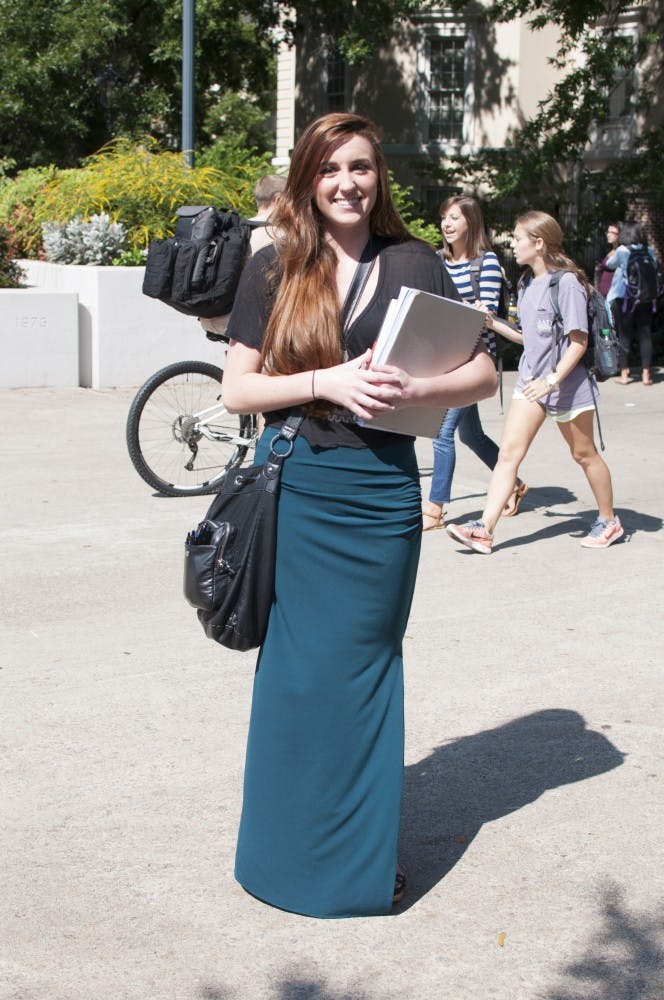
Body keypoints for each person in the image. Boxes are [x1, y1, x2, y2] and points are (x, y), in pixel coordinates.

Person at [221, 112, 497, 918]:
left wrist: (421, 389)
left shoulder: (415, 261)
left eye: (362, 168)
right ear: (309, 179)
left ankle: (355, 864)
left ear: (380, 178)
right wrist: (325, 382)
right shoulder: (275, 265)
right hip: (302, 489)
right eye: (332, 168)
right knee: (297, 677)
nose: (348, 183)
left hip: (381, 497)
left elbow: (484, 373)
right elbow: (237, 389)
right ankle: (280, 858)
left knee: (366, 672)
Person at [446, 210, 623, 554]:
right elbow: (528, 337)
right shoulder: (527, 283)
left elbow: (578, 342)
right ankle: (484, 529)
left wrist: (551, 380)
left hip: (566, 386)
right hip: (530, 383)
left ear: (539, 243)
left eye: (517, 238)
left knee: (584, 454)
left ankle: (608, 520)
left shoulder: (567, 284)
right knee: (508, 455)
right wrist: (491, 322)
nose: (512, 244)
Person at [422, 196, 526, 531]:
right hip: (447, 357)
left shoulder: (487, 262)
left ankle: (435, 510)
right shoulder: (438, 261)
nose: (447, 224)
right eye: (444, 217)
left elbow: (486, 316)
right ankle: (513, 484)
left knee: (442, 432)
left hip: (475, 358)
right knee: (471, 435)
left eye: (455, 217)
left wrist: (461, 313)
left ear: (471, 222)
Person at [199, 173, 286, 338]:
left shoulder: (234, 231)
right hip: (251, 326)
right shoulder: (280, 237)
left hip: (217, 319)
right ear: (278, 199)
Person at [605, 221, 659, 386]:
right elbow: (656, 268)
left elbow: (609, 264)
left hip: (626, 298)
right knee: (645, 334)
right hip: (646, 298)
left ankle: (624, 373)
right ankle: (646, 374)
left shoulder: (622, 251)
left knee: (624, 334)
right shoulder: (649, 250)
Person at [594, 222, 621, 297]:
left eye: (612, 232)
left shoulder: (622, 252)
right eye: (608, 232)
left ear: (620, 235)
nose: (608, 235)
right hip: (603, 294)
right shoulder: (610, 250)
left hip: (613, 296)